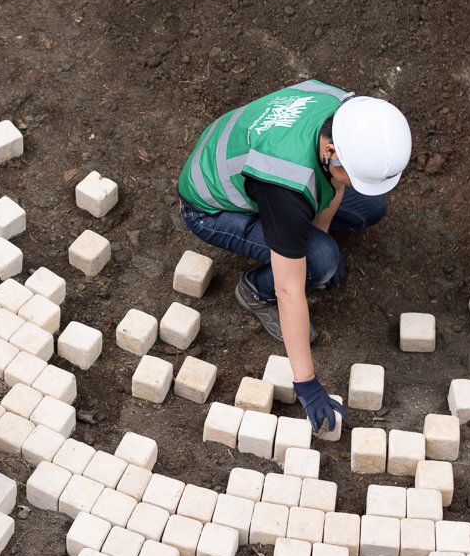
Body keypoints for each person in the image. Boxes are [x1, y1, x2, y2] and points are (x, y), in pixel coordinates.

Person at [177, 80, 413, 433]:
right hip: (209, 207)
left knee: (370, 206)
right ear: (332, 152)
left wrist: (319, 233)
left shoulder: (346, 111)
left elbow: (335, 185)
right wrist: (306, 384)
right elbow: (290, 290)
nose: (351, 180)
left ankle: (303, 244)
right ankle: (254, 291)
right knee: (319, 262)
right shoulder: (284, 180)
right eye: (351, 172)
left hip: (257, 164)